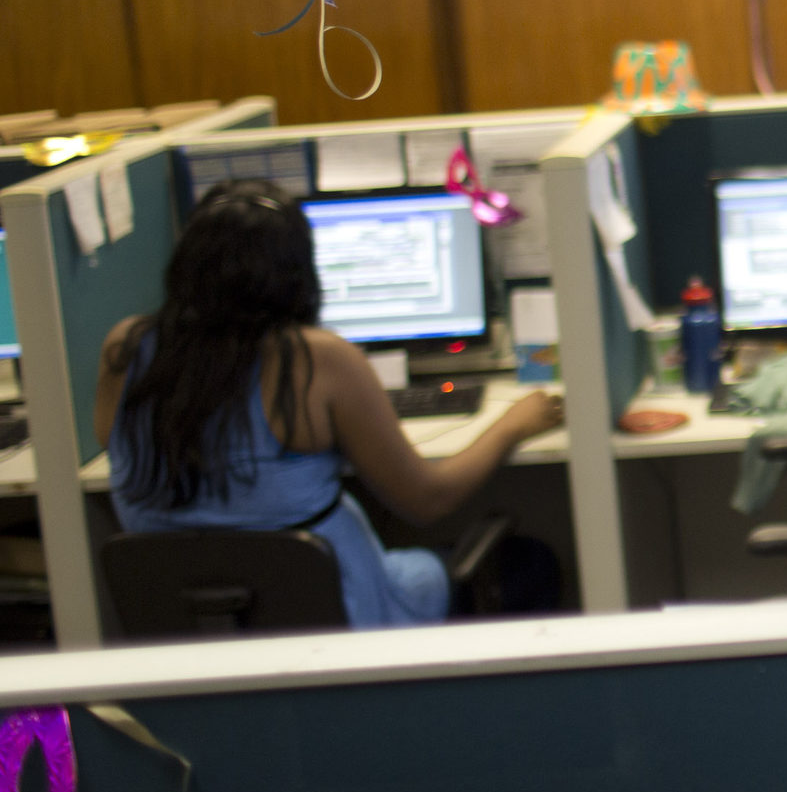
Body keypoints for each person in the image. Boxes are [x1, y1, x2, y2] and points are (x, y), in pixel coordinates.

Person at [94, 180, 563, 626]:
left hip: (190, 629)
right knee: (530, 564)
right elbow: (428, 499)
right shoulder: (313, 359)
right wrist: (511, 426)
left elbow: (122, 448)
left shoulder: (128, 349)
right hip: (335, 620)